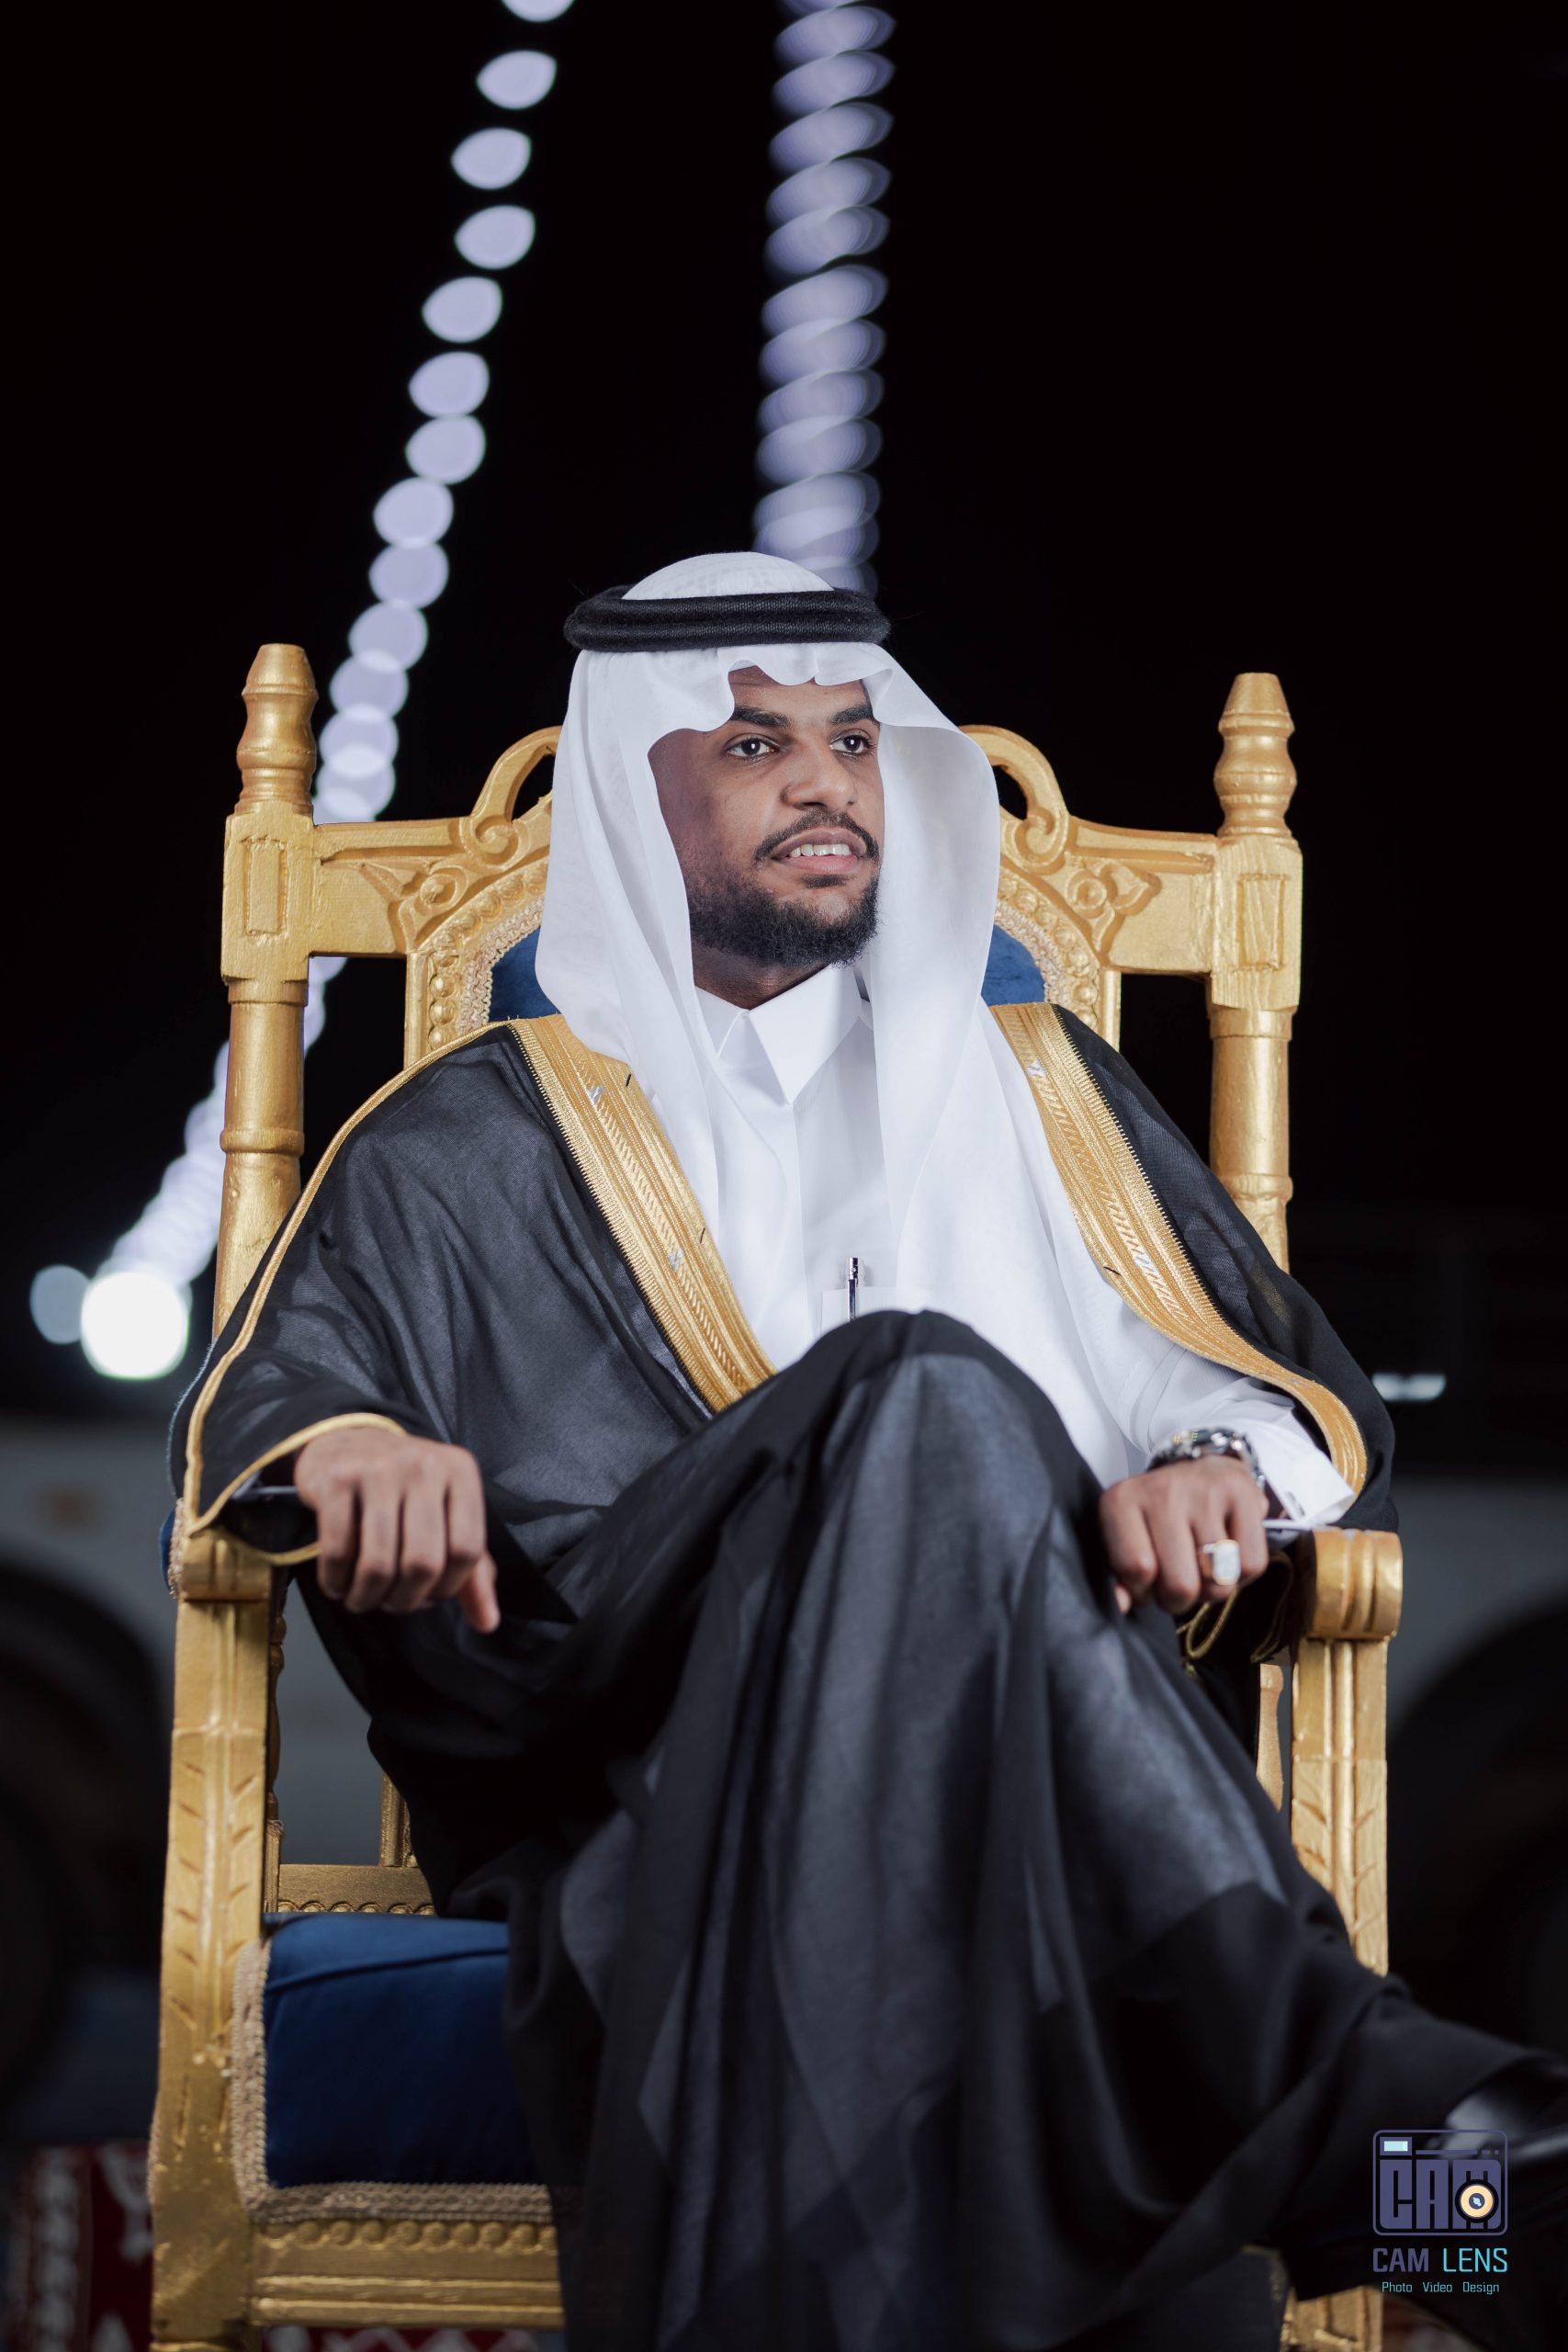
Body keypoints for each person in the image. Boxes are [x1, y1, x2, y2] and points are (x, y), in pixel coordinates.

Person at [171, 553, 1564, 2351]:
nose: (826, 781)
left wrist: (1214, 1461)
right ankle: (1409, 2159)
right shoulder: (468, 1136)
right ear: (631, 794)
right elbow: (286, 1391)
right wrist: (355, 1441)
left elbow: (1269, 1393)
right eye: (755, 744)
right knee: (920, 1386)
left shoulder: (1035, 1090)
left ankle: (1383, 2147)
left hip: (1013, 1788)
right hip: (634, 1763)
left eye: (852, 738)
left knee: (929, 1410)